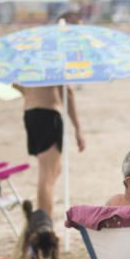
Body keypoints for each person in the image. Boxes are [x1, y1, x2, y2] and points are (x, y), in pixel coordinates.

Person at [20, 84, 85, 218]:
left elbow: (15, 83)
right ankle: (44, 226)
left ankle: (42, 221)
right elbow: (67, 91)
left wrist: (33, 92)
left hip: (30, 113)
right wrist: (78, 128)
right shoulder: (53, 63)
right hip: (48, 114)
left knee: (54, 171)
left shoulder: (27, 62)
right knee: (47, 176)